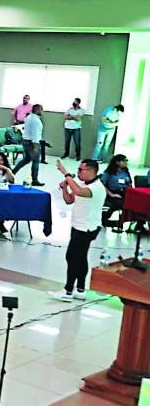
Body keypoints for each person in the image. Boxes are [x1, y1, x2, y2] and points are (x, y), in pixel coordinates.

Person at [49, 159, 106, 301]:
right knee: (80, 257)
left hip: (86, 228)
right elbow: (69, 200)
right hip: (78, 225)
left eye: (81, 170)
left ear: (91, 171)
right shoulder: (81, 184)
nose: (78, 173)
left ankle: (68, 291)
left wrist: (66, 174)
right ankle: (80, 289)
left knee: (72, 257)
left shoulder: (97, 188)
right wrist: (64, 188)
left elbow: (79, 191)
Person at [13, 103, 47, 186]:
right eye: (41, 109)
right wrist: (35, 146)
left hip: (25, 141)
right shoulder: (35, 120)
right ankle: (35, 180)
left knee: (26, 159)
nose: (42, 111)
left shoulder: (29, 117)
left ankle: (12, 171)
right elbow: (35, 134)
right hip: (32, 143)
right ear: (37, 110)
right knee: (36, 161)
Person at [99, 154, 132, 231]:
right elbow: (102, 185)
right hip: (112, 192)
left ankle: (137, 223)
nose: (126, 162)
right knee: (119, 202)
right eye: (124, 161)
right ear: (117, 162)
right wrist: (111, 194)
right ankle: (105, 218)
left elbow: (129, 183)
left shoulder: (126, 172)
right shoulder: (109, 172)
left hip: (125, 192)